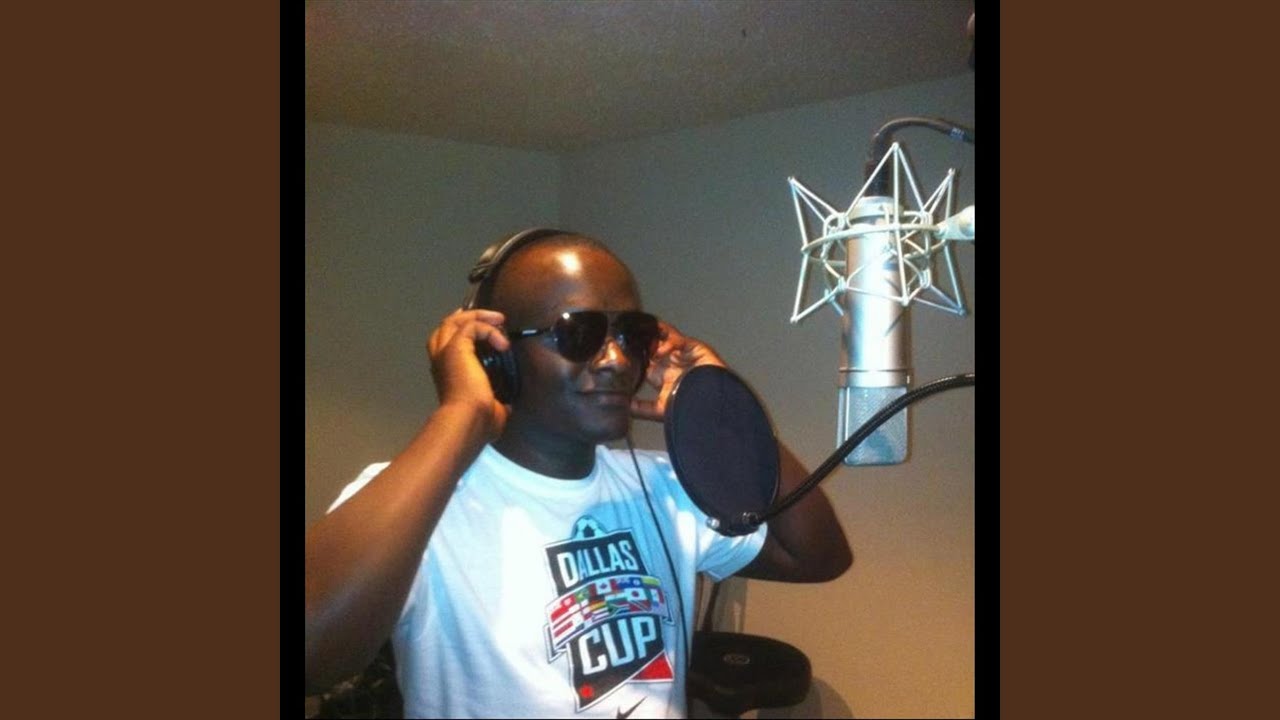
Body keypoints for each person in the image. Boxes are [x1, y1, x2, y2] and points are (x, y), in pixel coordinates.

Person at [305, 229, 852, 718]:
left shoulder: (665, 487)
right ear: (497, 356)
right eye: (579, 332)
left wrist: (722, 412)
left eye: (632, 334)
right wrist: (460, 413)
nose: (617, 360)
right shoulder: (421, 500)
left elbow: (817, 556)